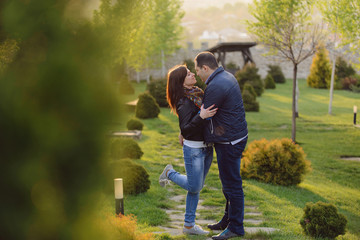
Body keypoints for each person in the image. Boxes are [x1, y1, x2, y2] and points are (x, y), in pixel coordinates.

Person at [194, 52, 248, 240]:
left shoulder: (216, 85)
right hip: (235, 136)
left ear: (205, 68)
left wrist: (187, 131)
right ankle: (228, 220)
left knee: (232, 185)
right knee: (228, 183)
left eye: (198, 71)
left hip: (230, 141)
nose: (198, 75)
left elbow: (204, 115)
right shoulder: (226, 76)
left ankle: (236, 228)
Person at [159, 65, 218, 235]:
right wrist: (202, 116)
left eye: (191, 72)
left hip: (206, 148)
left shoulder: (196, 93)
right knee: (194, 186)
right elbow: (186, 128)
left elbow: (185, 125)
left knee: (196, 188)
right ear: (181, 82)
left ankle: (188, 226)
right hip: (194, 150)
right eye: (188, 74)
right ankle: (170, 173)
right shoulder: (184, 101)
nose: (193, 74)